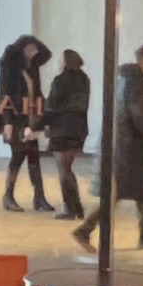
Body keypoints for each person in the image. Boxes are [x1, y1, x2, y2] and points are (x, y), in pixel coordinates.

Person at [75, 40, 143, 251]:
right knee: (121, 192)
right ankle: (85, 230)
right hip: (130, 147)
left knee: (138, 191)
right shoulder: (136, 81)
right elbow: (139, 115)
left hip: (119, 143)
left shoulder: (122, 79)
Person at [0, 32, 53, 212]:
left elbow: (47, 54)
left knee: (34, 156)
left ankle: (39, 197)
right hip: (15, 118)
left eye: (34, 50)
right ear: (20, 49)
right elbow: (3, 95)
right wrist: (7, 121)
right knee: (18, 156)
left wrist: (35, 43)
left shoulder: (32, 67)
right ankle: (8, 195)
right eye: (29, 49)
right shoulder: (8, 67)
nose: (33, 53)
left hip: (31, 117)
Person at [43, 45, 92, 225]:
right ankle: (76, 206)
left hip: (61, 129)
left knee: (63, 169)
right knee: (68, 168)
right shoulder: (84, 79)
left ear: (65, 62)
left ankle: (70, 208)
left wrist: (41, 125)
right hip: (78, 129)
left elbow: (52, 106)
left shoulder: (60, 80)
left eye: (60, 59)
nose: (58, 62)